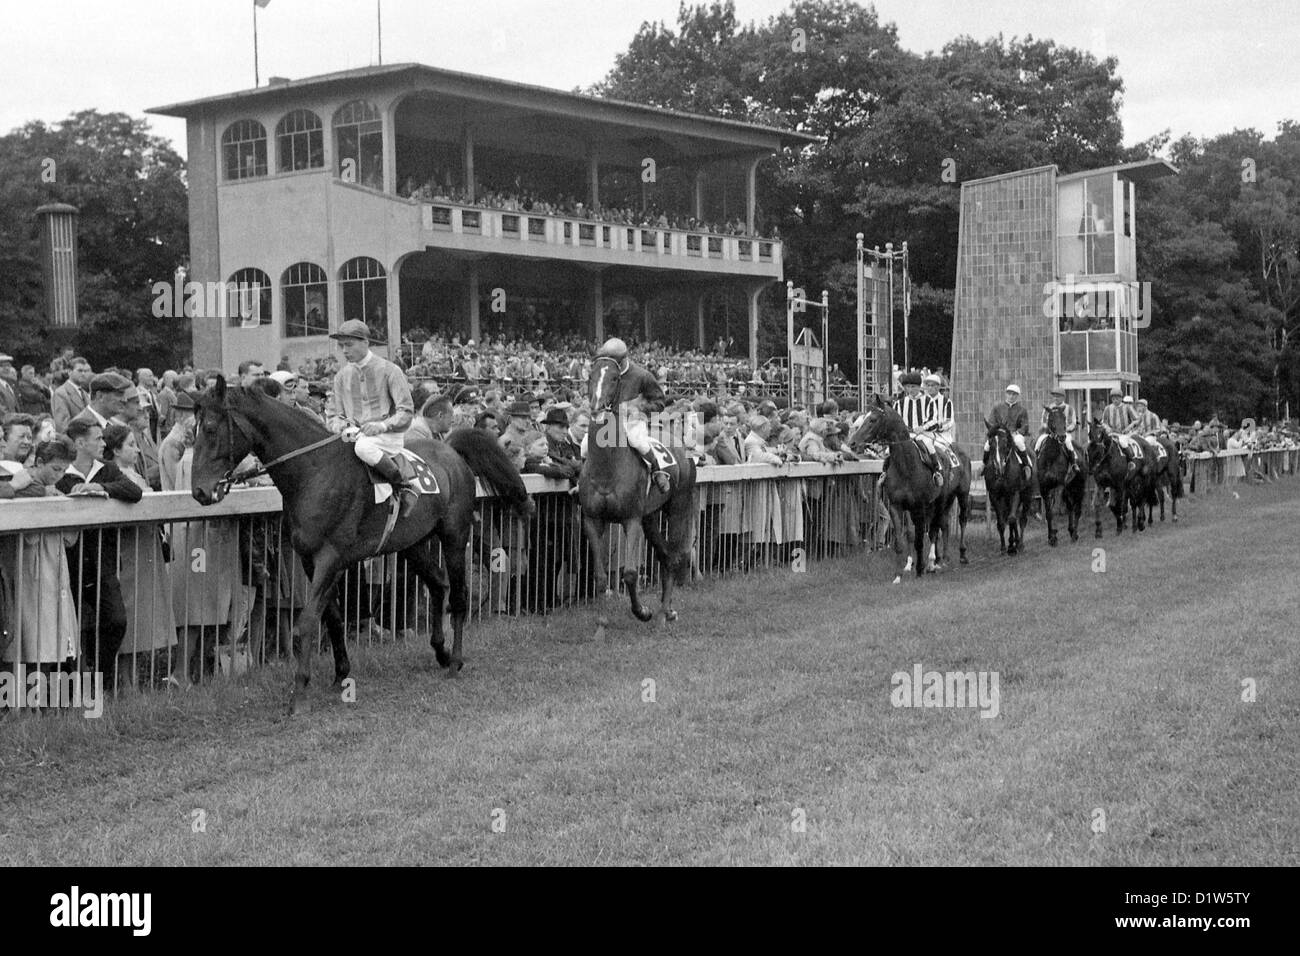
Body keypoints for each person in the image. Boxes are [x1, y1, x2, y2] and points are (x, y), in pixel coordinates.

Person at [57, 419, 144, 688]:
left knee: (116, 619)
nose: (103, 443)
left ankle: (101, 675)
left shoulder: (106, 470)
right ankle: (71, 687)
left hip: (102, 562)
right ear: (80, 443)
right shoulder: (63, 475)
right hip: (69, 563)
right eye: (97, 439)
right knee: (70, 626)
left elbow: (134, 491)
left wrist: (101, 488)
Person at [326, 319, 417, 517]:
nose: (344, 351)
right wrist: (341, 426)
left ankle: (405, 486)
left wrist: (382, 425)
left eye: (348, 345)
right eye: (341, 346)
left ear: (365, 342)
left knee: (363, 448)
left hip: (386, 437)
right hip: (355, 435)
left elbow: (406, 412)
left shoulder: (390, 370)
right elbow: (333, 415)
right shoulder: (341, 376)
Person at [590, 337, 671, 492]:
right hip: (607, 421)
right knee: (586, 446)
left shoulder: (642, 376)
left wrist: (639, 409)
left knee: (637, 441)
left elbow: (660, 402)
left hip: (632, 422)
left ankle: (657, 470)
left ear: (623, 359)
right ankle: (582, 481)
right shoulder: (603, 372)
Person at [895, 371, 943, 485]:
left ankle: (936, 471)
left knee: (929, 445)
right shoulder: (899, 403)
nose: (910, 390)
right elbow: (896, 421)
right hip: (906, 435)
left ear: (919, 387)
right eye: (908, 387)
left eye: (913, 387)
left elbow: (934, 420)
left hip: (923, 434)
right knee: (889, 450)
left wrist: (922, 428)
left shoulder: (928, 401)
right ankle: (885, 473)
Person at [983, 384, 1033, 477]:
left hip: (1015, 435)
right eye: (1009, 394)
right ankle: (984, 465)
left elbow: (1025, 426)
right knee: (987, 445)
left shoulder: (1022, 410)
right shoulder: (997, 408)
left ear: (1017, 396)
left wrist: (1017, 432)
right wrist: (997, 432)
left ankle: (1026, 465)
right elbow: (992, 423)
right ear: (1006, 394)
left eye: (1014, 394)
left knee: (1018, 441)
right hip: (1000, 434)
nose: (1011, 396)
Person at [1034, 386, 1080, 482]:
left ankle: (1073, 463)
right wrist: (1047, 428)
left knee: (1068, 442)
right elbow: (1043, 421)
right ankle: (1036, 461)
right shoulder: (1048, 408)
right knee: (1039, 441)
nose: (1056, 398)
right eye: (1054, 396)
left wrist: (1064, 430)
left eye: (1058, 396)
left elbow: (1073, 423)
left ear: (1063, 397)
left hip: (1064, 433)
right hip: (1050, 434)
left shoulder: (1069, 408)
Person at [51, 356, 92, 431]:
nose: (83, 374)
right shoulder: (61, 394)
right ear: (69, 372)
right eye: (79, 371)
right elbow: (62, 426)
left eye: (85, 371)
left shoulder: (85, 394)